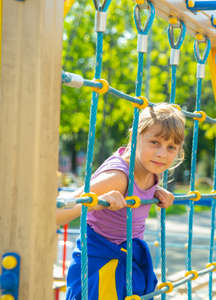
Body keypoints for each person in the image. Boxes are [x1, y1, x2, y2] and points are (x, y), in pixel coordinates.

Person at [60, 103, 185, 299]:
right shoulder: (117, 178)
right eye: (155, 142)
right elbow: (59, 211)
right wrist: (98, 201)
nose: (162, 153)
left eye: (171, 147)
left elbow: (137, 191)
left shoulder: (152, 172)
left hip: (128, 260)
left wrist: (156, 192)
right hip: (99, 264)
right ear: (135, 138)